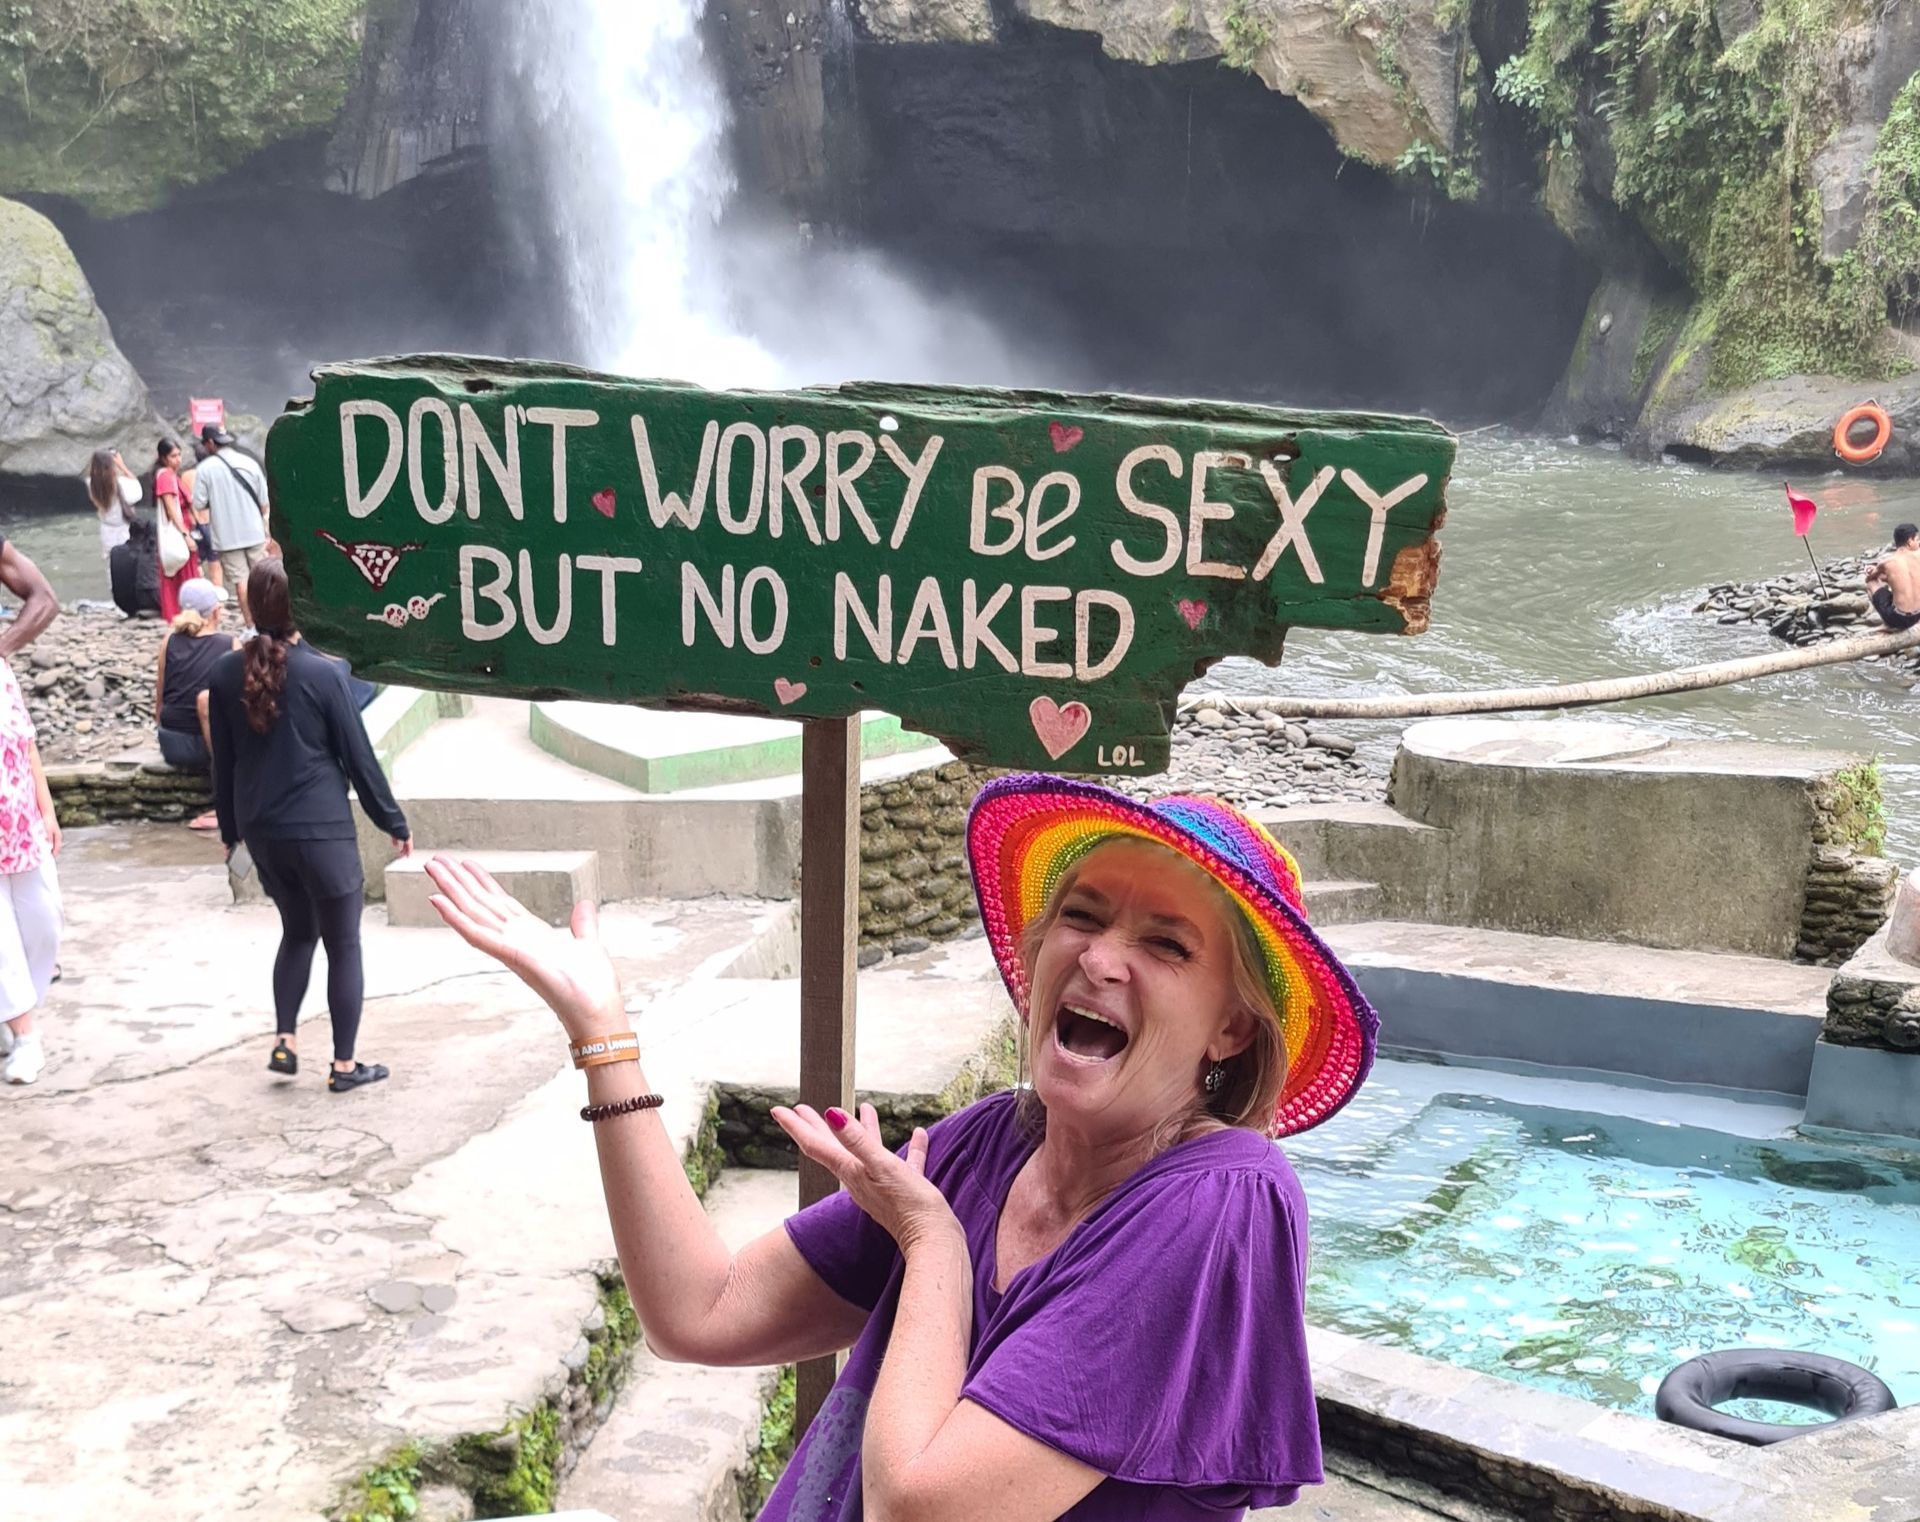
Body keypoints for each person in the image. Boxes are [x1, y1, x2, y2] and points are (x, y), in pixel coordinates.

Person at [425, 775, 1380, 1519]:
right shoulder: (983, 1148)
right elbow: (698, 1313)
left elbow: (921, 1507)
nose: (1098, 957)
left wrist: (929, 1240)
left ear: (1231, 1032)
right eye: (1082, 916)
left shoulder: (1222, 1203)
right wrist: (604, 1036)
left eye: (1167, 945)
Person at [207, 559, 411, 1092]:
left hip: (264, 833)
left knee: (297, 932)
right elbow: (358, 757)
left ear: (250, 605)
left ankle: (285, 1040)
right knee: (343, 942)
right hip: (321, 830)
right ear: (304, 610)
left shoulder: (227, 673)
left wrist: (231, 834)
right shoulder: (324, 674)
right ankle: (344, 1067)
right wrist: (392, 820)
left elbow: (223, 763)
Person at [0, 652, 63, 1086]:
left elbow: (26, 741)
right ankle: (24, 1035)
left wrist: (46, 807)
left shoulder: (1, 671)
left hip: (20, 822)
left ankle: (14, 1008)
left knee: (46, 922)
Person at [155, 578, 240, 830]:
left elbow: (159, 700)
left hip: (170, 742)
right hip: (204, 745)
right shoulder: (229, 644)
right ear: (215, 612)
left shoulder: (168, 641)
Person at [193, 426, 270, 624]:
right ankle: (270, 621)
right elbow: (264, 501)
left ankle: (252, 625)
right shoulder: (249, 463)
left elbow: (199, 504)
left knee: (241, 581)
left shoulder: (204, 469)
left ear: (210, 443)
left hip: (228, 537)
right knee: (263, 579)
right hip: (254, 532)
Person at [153, 438, 197, 621]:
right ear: (163, 458)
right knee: (183, 572)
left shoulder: (170, 475)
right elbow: (171, 510)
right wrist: (186, 534)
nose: (178, 459)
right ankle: (181, 613)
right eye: (173, 456)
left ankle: (184, 612)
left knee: (183, 572)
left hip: (183, 526)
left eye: (179, 455)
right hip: (179, 530)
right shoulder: (166, 477)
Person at [86, 448, 141, 560]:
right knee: (127, 566)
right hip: (124, 531)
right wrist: (122, 466)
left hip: (106, 531)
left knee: (111, 567)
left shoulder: (90, 483)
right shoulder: (121, 484)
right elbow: (138, 492)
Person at [1867, 523, 1920, 631]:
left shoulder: (1887, 562)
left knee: (1871, 584)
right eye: (1917, 540)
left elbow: (1870, 579)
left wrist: (1871, 571)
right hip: (1917, 615)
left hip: (1898, 619)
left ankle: (1887, 624)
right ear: (1910, 541)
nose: (1918, 543)